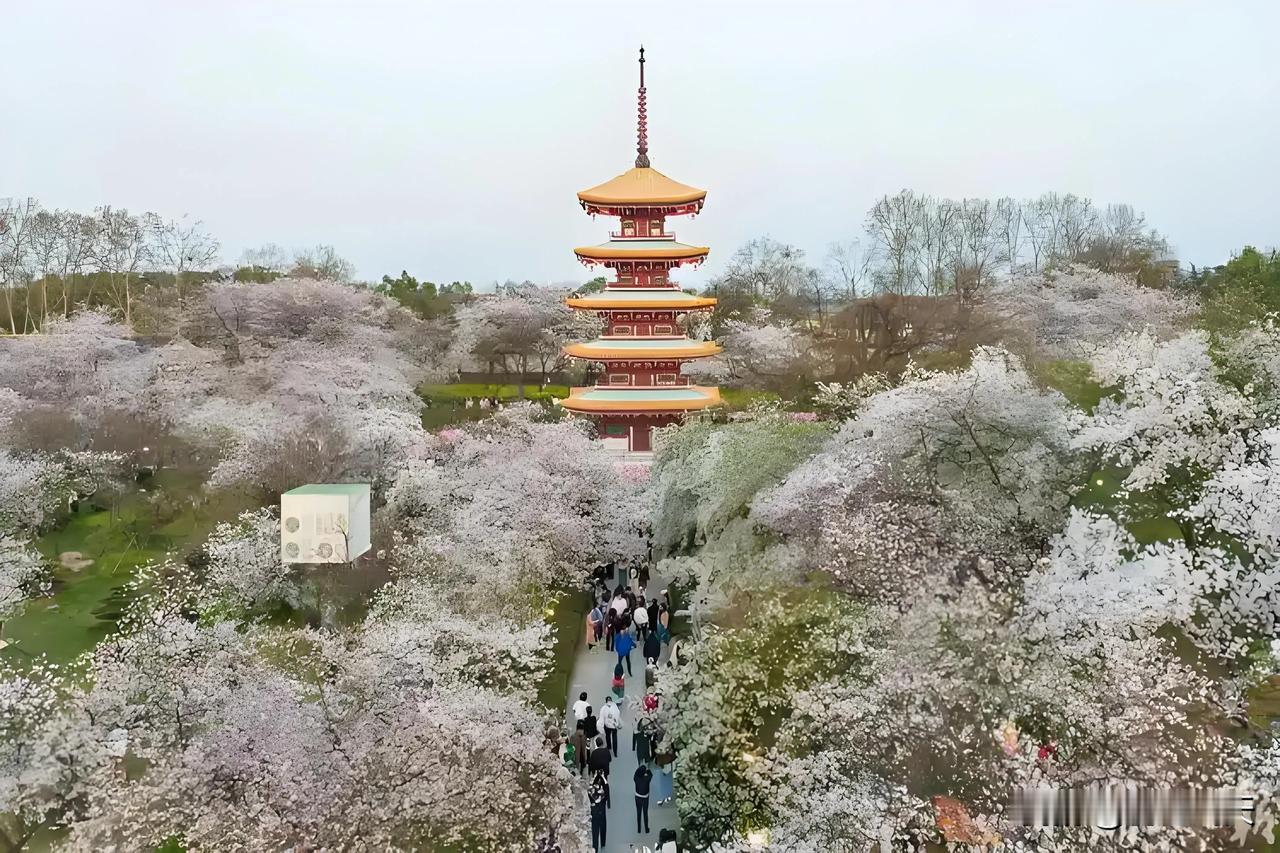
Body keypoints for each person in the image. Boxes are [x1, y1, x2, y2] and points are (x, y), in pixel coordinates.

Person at [589, 774, 608, 852]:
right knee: (602, 830)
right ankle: (602, 843)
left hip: (595, 817)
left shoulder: (591, 794)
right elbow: (607, 788)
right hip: (601, 815)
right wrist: (604, 778)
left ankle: (595, 849)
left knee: (595, 836)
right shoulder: (603, 797)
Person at [633, 763, 653, 834]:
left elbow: (635, 774)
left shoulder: (636, 778)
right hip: (645, 798)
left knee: (638, 813)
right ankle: (646, 829)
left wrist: (639, 769)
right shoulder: (647, 779)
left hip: (637, 797)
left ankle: (639, 829)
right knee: (645, 813)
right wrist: (647, 770)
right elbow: (651, 775)